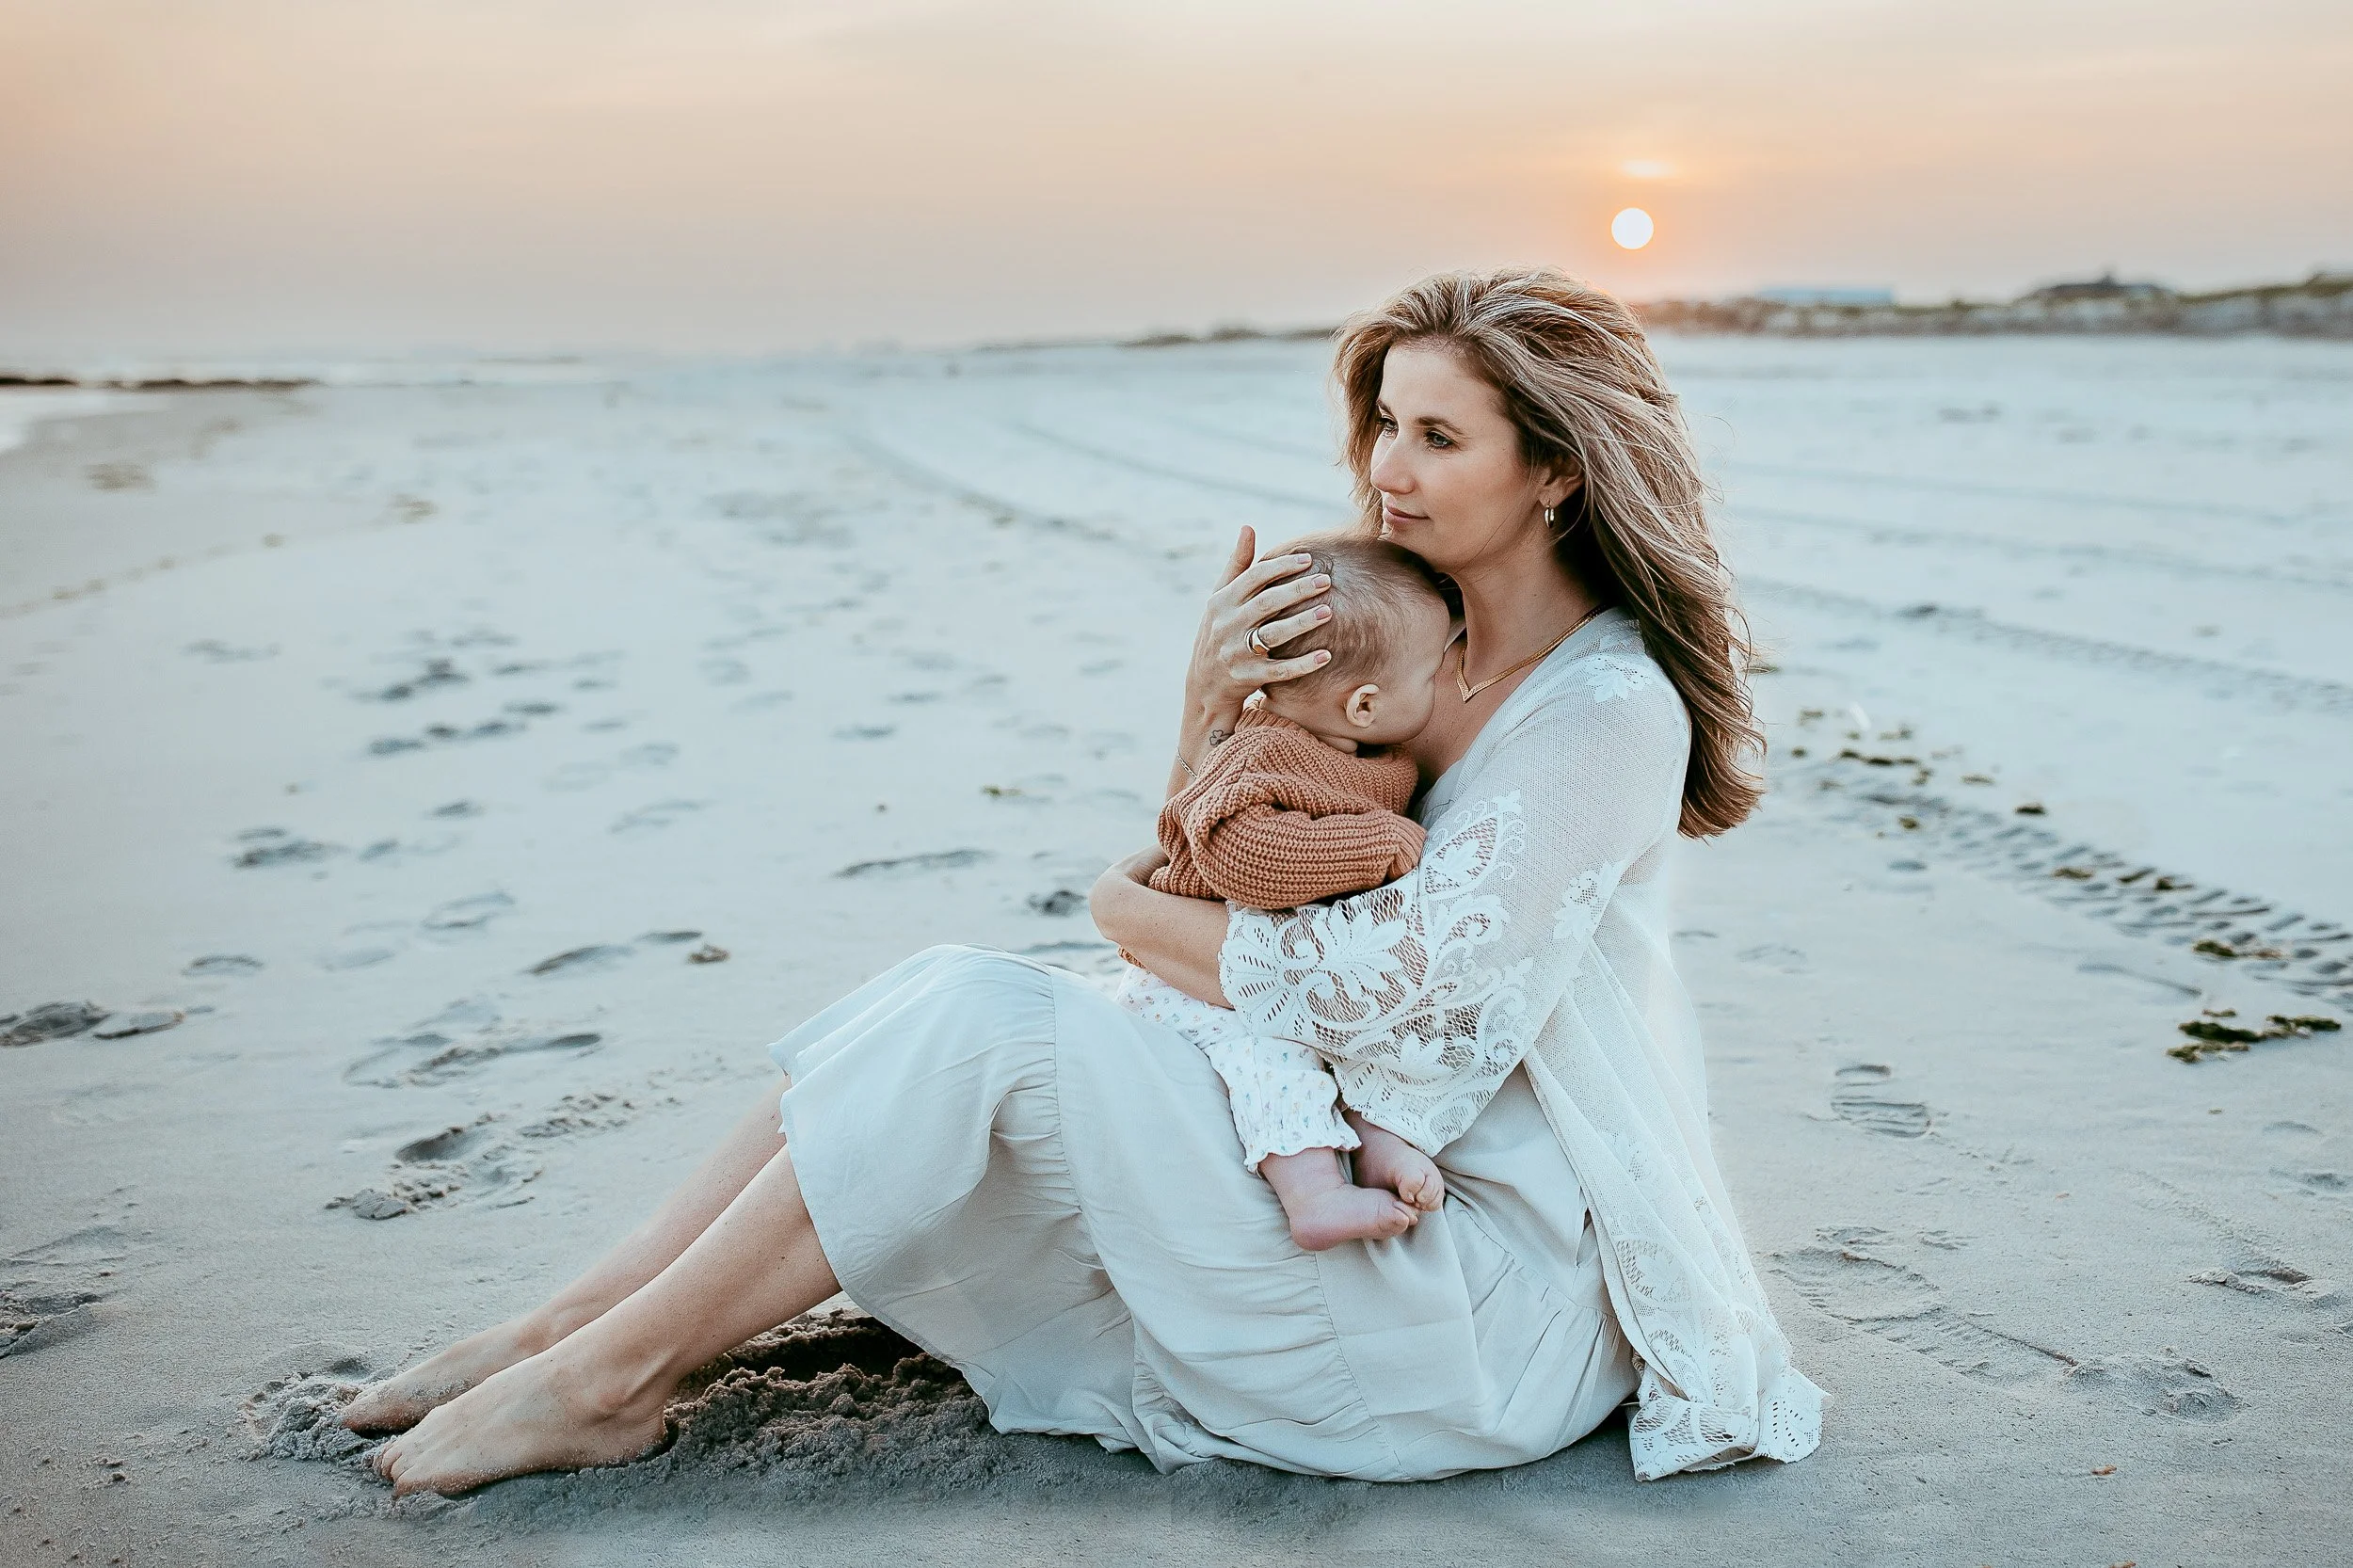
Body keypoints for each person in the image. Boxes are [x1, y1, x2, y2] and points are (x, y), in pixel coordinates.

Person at [345, 265, 1824, 1496]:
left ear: (1557, 470)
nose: (1386, 468)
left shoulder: (1604, 712)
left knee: (992, 1018)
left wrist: (1119, 913)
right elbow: (1243, 862)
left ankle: (610, 1383)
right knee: (937, 994)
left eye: (1441, 436)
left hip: (1475, 1293)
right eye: (1383, 422)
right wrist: (1205, 710)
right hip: (1342, 1174)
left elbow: (1396, 1005)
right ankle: (577, 1319)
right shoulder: (1401, 643)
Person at [1109, 529, 1456, 1252]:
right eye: (1431, 676)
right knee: (1276, 1062)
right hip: (1191, 973)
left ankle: (1376, 1140)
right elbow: (1248, 858)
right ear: (1363, 704)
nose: (1441, 687)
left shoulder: (1367, 754)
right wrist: (1378, 846)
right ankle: (1314, 1194)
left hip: (1261, 955)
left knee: (1345, 1039)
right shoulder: (1265, 750)